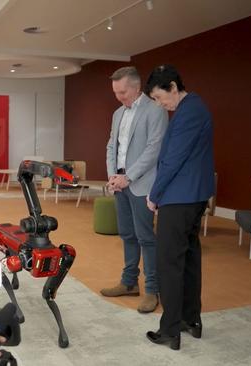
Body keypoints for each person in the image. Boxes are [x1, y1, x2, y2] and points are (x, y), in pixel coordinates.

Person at [144, 65, 215, 350]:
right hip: (193, 196)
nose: (162, 105)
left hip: (180, 197)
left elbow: (173, 159)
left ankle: (170, 330)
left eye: (161, 98)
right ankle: (190, 319)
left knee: (168, 263)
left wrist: (155, 193)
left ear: (173, 87)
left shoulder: (189, 111)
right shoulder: (194, 108)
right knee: (188, 259)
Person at [100, 66, 168, 314]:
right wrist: (112, 175)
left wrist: (128, 177)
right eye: (116, 92)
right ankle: (129, 282)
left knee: (146, 238)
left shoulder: (155, 110)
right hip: (120, 184)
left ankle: (152, 289)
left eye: (122, 91)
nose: (119, 97)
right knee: (127, 235)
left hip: (141, 185)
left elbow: (154, 149)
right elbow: (111, 146)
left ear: (137, 87)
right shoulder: (118, 113)